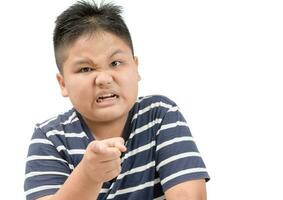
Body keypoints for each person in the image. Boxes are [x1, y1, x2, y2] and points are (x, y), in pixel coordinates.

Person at [24, 1, 210, 199]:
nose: (104, 79)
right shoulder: (50, 137)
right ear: (63, 84)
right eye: (85, 69)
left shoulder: (160, 115)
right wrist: (88, 175)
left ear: (136, 67)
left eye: (115, 63)